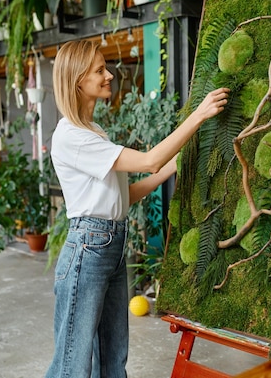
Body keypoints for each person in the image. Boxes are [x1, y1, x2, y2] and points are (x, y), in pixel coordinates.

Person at [45, 39, 230, 378]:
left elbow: (121, 196)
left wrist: (173, 166)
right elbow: (148, 160)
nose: (110, 75)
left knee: (113, 357)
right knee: (72, 365)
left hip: (109, 245)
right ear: (77, 81)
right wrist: (199, 115)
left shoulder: (94, 132)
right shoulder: (70, 136)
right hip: (89, 247)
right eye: (100, 70)